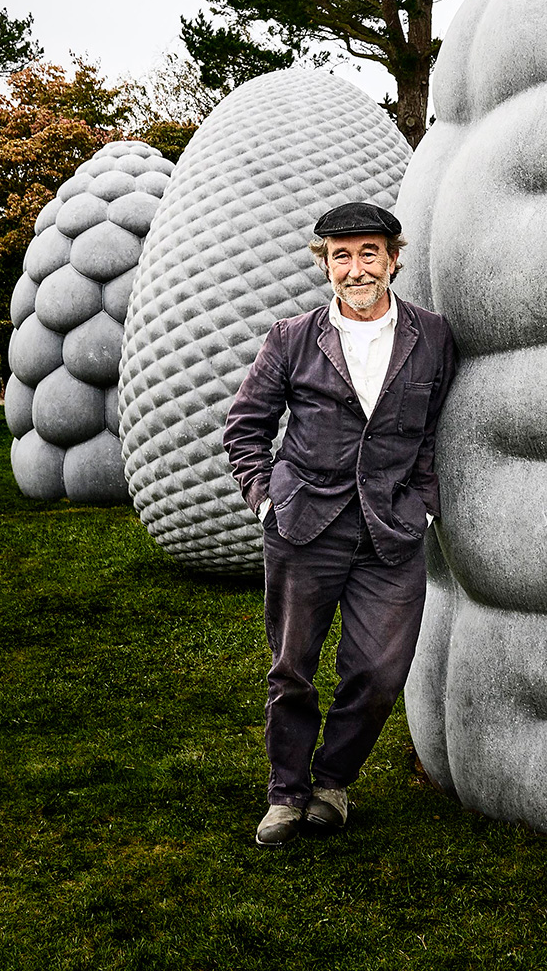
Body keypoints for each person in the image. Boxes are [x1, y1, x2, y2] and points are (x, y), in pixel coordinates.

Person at [222, 201, 457, 847]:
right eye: (341, 256)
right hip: (303, 528)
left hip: (392, 532)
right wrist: (266, 500)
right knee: (292, 669)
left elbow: (436, 427)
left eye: (369, 254)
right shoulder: (292, 337)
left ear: (393, 258)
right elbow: (245, 427)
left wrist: (425, 501)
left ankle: (332, 781)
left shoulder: (432, 336)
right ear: (324, 262)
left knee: (379, 672)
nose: (356, 269)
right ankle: (286, 794)